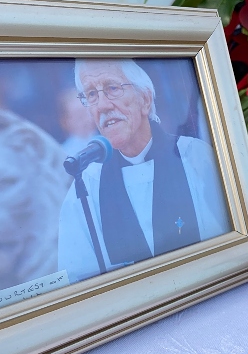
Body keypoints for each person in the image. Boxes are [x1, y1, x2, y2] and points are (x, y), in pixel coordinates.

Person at [58, 59, 231, 283]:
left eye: (112, 88)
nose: (102, 105)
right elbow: (77, 279)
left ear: (145, 100)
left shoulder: (194, 158)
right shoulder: (86, 187)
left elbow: (229, 251)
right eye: (91, 94)